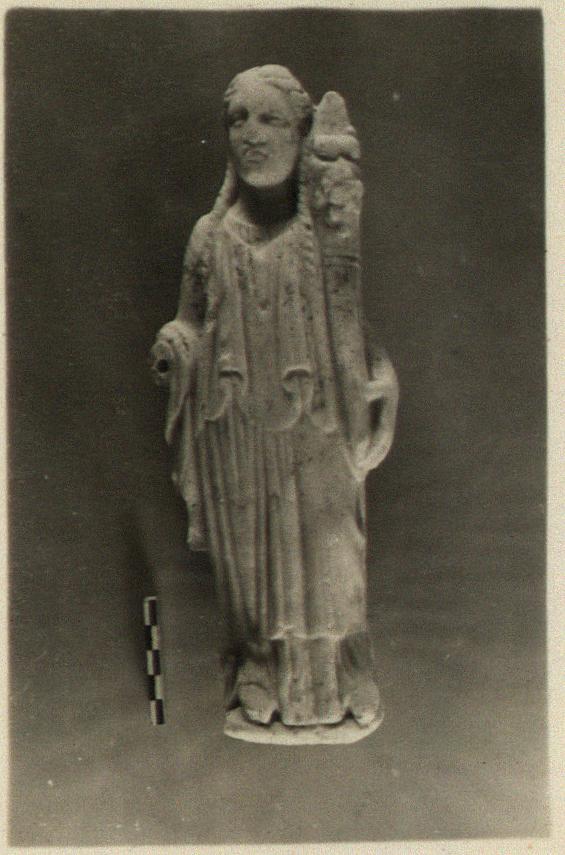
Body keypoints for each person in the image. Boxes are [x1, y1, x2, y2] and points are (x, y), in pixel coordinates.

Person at [150, 65, 398, 742]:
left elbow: (352, 328)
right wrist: (175, 347)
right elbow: (189, 324)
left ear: (300, 132)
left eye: (270, 120)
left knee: (330, 546)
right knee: (251, 559)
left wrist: (383, 385)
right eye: (238, 120)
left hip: (317, 415)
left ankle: (346, 670)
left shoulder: (324, 233)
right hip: (234, 418)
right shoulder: (209, 238)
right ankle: (256, 673)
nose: (251, 135)